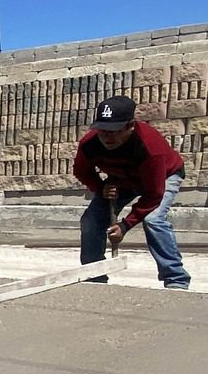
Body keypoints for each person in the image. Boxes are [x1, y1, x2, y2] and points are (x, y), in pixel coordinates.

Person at [73, 95, 190, 290]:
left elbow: (153, 194)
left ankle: (176, 278)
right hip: (121, 178)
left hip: (163, 176)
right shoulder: (89, 143)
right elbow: (81, 171)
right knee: (91, 220)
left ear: (130, 126)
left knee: (154, 219)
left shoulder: (150, 148)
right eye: (102, 131)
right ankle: (94, 274)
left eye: (114, 131)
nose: (107, 137)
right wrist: (101, 187)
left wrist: (126, 225)